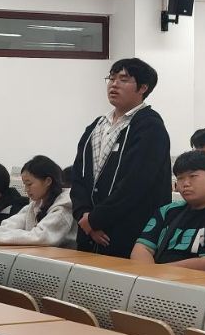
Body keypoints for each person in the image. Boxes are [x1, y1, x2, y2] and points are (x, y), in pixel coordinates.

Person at [72, 58, 172, 257]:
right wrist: (84, 217)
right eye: (111, 78)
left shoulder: (150, 126)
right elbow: (78, 176)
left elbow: (136, 183)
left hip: (127, 232)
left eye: (124, 79)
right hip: (88, 230)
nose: (114, 84)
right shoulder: (97, 126)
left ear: (143, 87)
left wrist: (96, 220)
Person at [131, 151, 205, 270]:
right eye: (180, 178)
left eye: (193, 176)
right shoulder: (167, 211)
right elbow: (142, 248)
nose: (185, 184)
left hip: (197, 281)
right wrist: (148, 274)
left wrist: (158, 272)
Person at [0, 155, 76, 247]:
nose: (26, 189)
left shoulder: (64, 206)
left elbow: (40, 237)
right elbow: (10, 225)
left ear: (48, 181)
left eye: (29, 184)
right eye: (24, 184)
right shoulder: (36, 204)